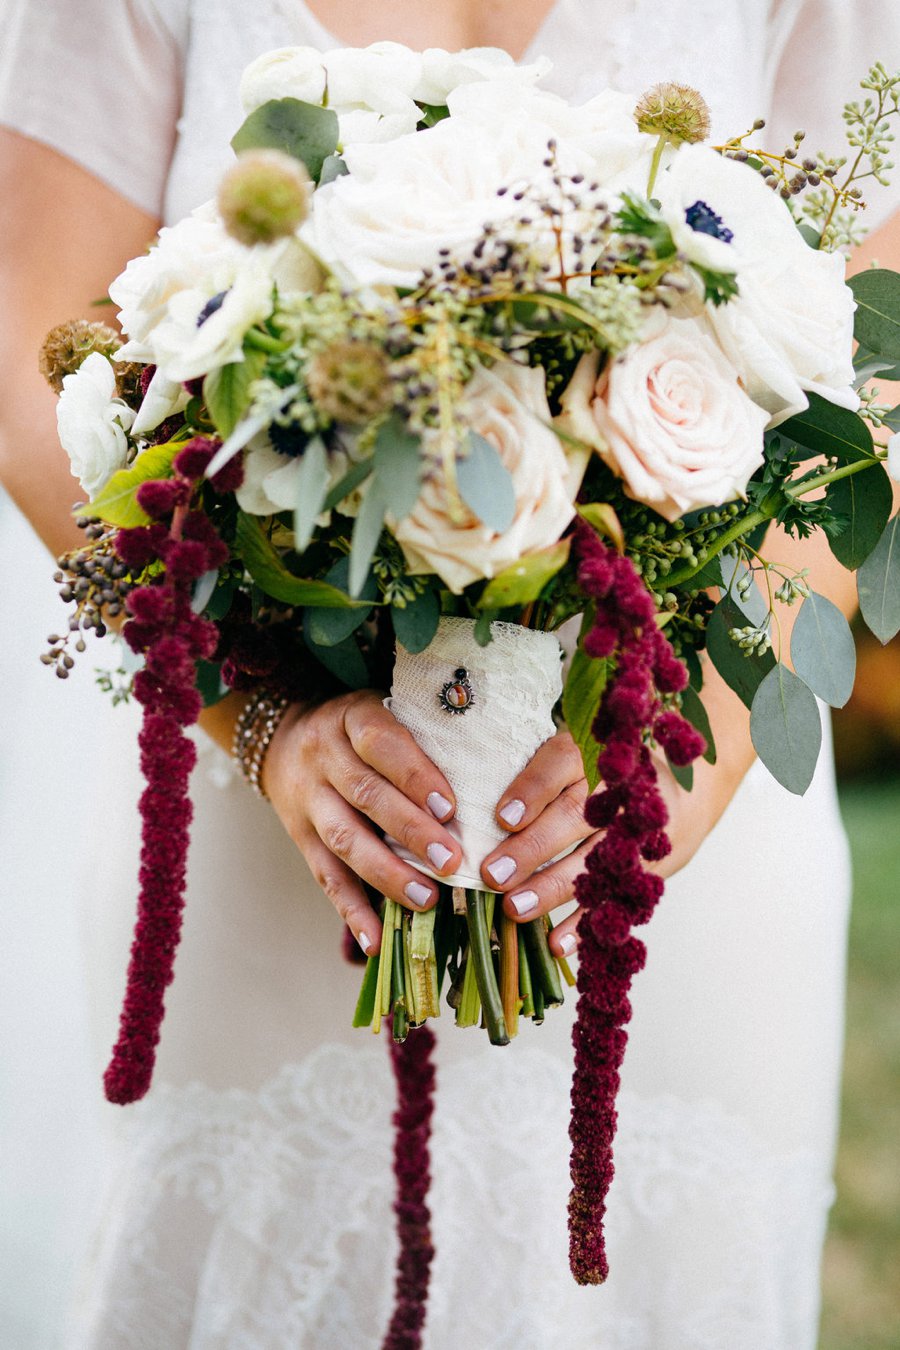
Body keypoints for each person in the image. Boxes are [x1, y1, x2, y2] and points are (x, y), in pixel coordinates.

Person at [0, 1, 897, 1346]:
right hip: (273, 867)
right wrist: (260, 717)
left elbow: (874, 364)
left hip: (680, 862)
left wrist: (684, 744)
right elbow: (32, 339)